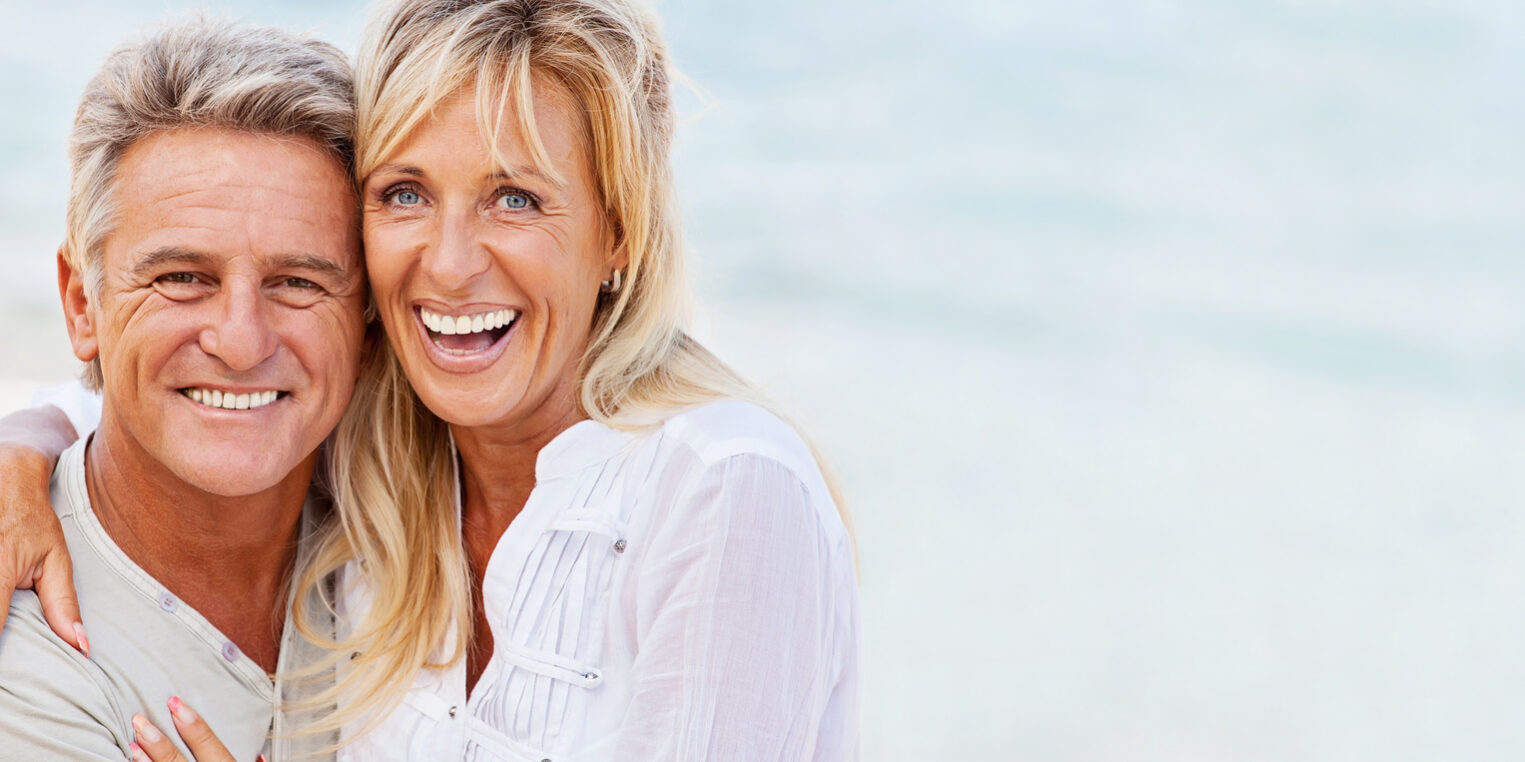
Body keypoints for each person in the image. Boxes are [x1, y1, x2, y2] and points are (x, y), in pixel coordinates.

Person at [2, 0, 861, 759]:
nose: (448, 267)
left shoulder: (719, 494)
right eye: (405, 193)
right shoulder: (381, 462)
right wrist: (21, 451)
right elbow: (177, 393)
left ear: (621, 231)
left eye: (515, 198)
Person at [0, 16, 366, 762]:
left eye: (297, 283)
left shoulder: (418, 535)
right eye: (180, 278)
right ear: (81, 304)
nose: (240, 342)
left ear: (368, 315)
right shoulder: (24, 654)